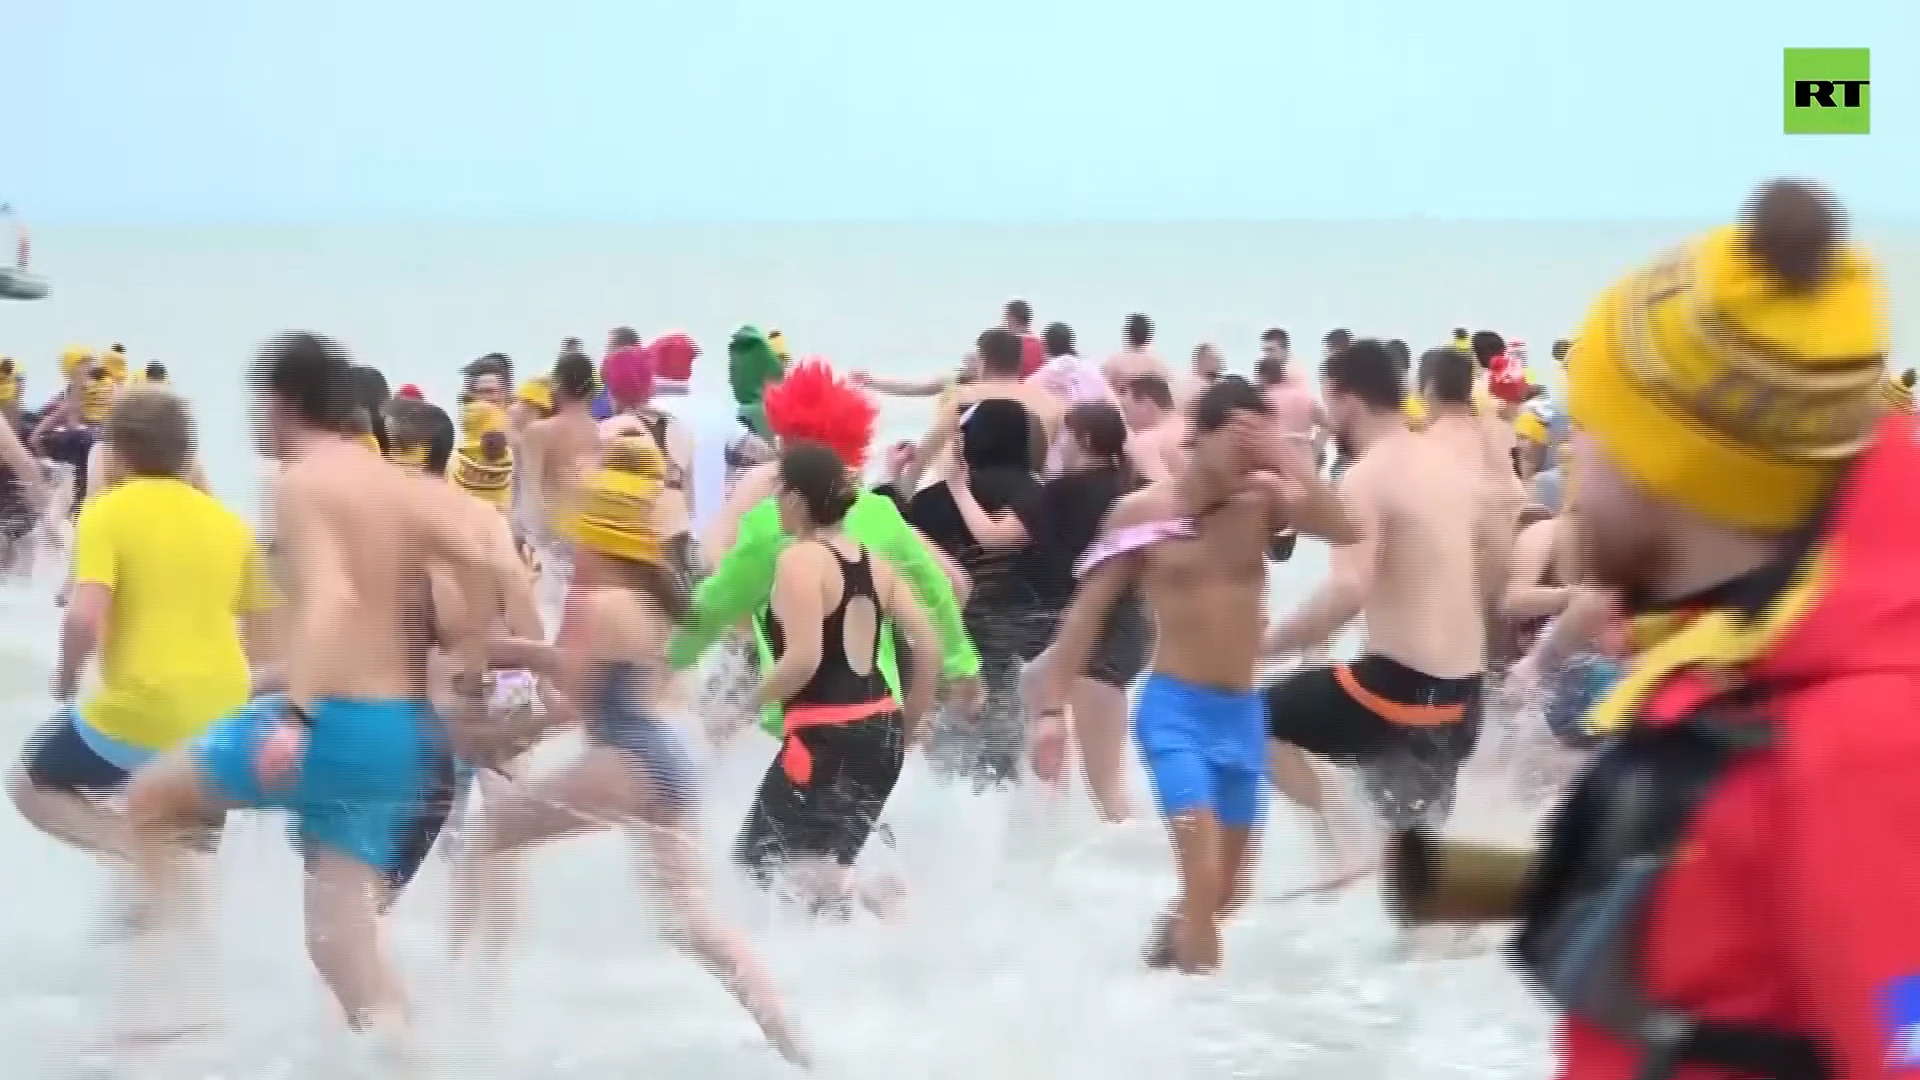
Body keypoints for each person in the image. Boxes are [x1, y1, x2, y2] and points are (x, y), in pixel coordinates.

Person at [1504, 178, 1920, 1080]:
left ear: (1673, 474)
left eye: (1597, 433)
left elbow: (1903, 1030)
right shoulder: (1741, 659)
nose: (1573, 457)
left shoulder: (1858, 740)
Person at [121, 332, 498, 1070]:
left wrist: (295, 713)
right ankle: (419, 1062)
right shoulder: (398, 482)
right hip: (399, 738)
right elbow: (487, 558)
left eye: (256, 404)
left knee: (147, 802)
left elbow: (331, 594)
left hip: (331, 724)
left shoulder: (300, 482)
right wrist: (474, 672)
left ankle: (176, 997)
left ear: (282, 402)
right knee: (341, 953)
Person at [451, 435, 810, 1066]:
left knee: (482, 840)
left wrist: (495, 719)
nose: (566, 545)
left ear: (594, 538)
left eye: (574, 534)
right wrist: (506, 662)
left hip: (627, 759)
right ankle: (778, 1016)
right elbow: (609, 686)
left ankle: (463, 994)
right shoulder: (655, 598)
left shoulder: (593, 602)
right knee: (682, 918)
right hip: (669, 762)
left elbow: (569, 689)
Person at [1039, 376, 1356, 975]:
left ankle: (1158, 985)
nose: (1246, 453)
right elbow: (1085, 616)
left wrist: (1286, 459)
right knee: (1199, 848)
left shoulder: (1262, 503)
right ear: (1200, 435)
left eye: (1255, 440)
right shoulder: (1142, 512)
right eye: (1236, 437)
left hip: (1242, 717)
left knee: (1219, 895)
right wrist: (1052, 712)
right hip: (1175, 708)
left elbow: (1345, 526)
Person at [1263, 342, 1511, 891]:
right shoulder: (1450, 465)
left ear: (1349, 400)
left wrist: (1264, 647)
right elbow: (1492, 569)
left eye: (1331, 401)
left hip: (1399, 692)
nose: (1328, 415)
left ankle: (1340, 847)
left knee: (1248, 719)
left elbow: (1348, 590)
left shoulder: (1366, 476)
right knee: (1415, 870)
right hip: (1464, 696)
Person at [11, 389, 270, 898]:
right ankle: (175, 962)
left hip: (143, 706)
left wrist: (65, 678)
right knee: (189, 850)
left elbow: (85, 617)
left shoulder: (108, 513)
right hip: (224, 714)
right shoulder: (232, 525)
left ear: (120, 452)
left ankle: (141, 854)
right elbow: (265, 642)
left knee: (31, 787)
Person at [673, 361, 980, 757]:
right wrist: (953, 669)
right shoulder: (869, 509)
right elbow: (954, 586)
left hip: (774, 668)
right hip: (868, 695)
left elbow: (713, 564)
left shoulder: (765, 488)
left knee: (719, 759)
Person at [734, 441, 941, 918]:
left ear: (799, 499)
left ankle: (876, 889)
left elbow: (802, 662)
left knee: (758, 863)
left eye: (779, 492)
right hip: (880, 733)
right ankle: (872, 961)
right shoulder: (875, 562)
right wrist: (907, 723)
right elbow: (928, 644)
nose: (774, 503)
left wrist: (740, 708)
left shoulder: (800, 560)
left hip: (824, 739)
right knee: (820, 876)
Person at [944, 401, 1149, 820]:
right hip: (1133, 627)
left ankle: (1140, 867)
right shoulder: (1131, 487)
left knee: (1108, 786)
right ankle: (1053, 791)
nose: (1058, 445)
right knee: (1035, 681)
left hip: (1101, 638)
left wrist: (958, 488)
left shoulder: (1061, 492)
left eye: (1065, 437)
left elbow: (993, 537)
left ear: (1085, 441)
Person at [599, 343, 699, 587]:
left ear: (613, 389)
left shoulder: (609, 431)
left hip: (637, 537)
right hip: (679, 533)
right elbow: (690, 496)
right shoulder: (678, 428)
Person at [1118, 375, 1187, 483]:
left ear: (1146, 404)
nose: (1127, 420)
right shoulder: (1197, 427)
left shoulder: (1146, 441)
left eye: (1126, 410)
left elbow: (1162, 492)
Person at [1103, 312, 1168, 393]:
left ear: (1128, 335)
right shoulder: (1160, 365)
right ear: (1148, 337)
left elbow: (1103, 392)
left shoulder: (1114, 363)